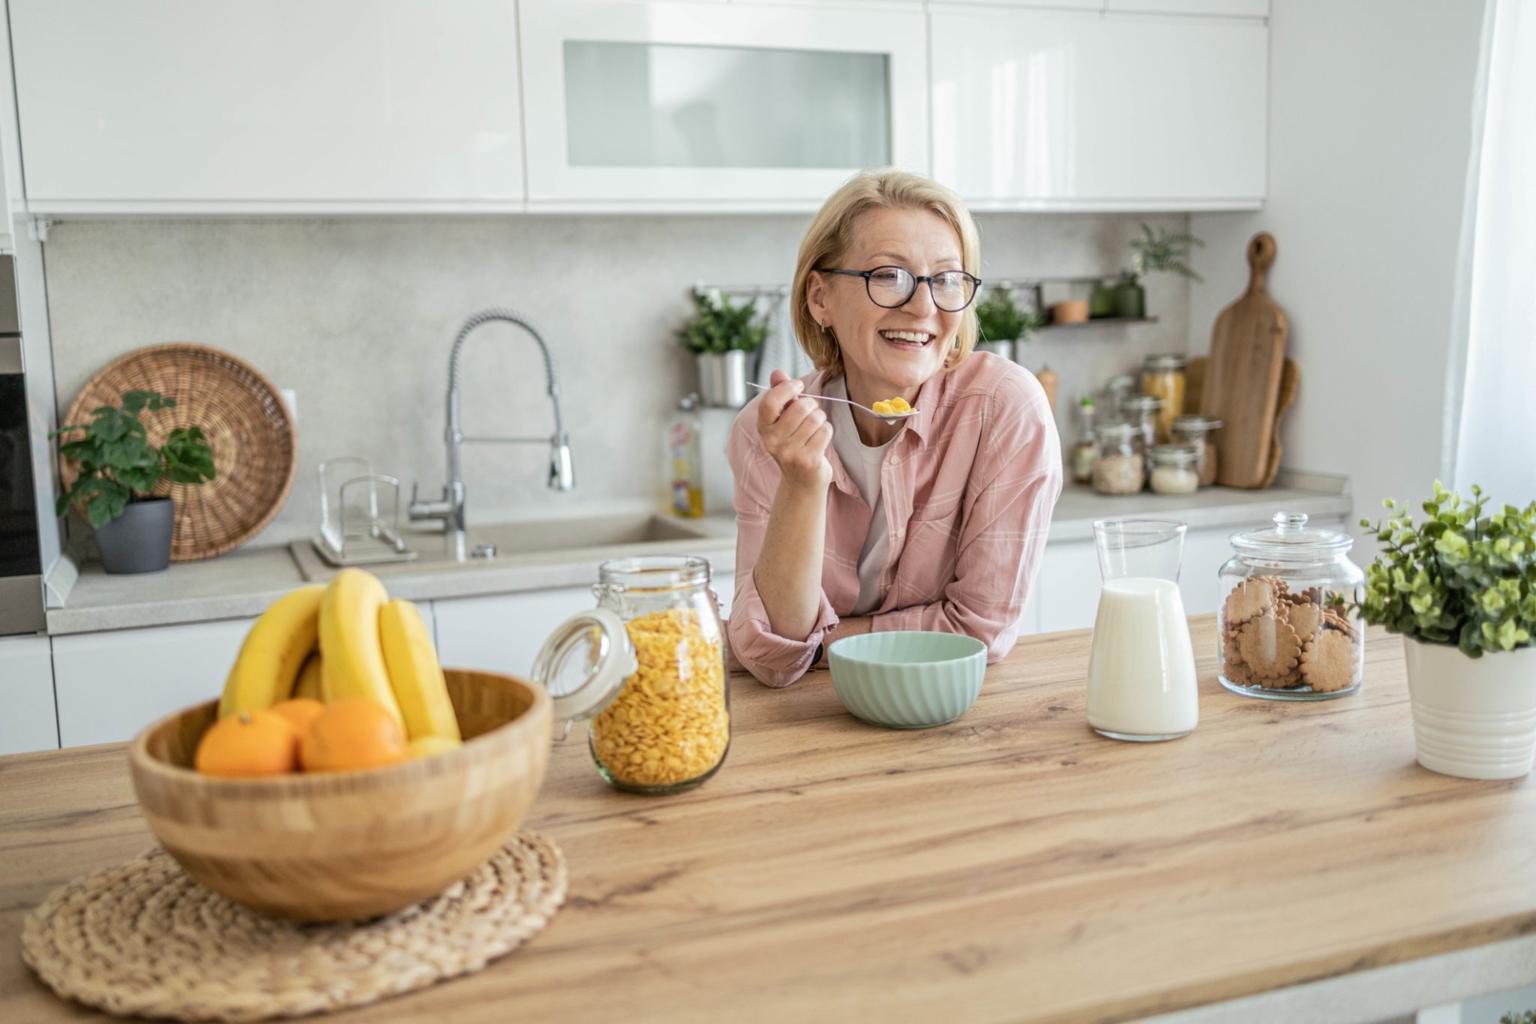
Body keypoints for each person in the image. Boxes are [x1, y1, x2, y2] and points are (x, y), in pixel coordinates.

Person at [726, 169, 1063, 687]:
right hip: (804, 728)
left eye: (947, 279)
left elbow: (979, 633)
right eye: (888, 276)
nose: (924, 307)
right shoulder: (768, 431)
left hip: (950, 710)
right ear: (820, 298)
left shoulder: (1004, 409)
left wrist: (816, 645)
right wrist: (802, 483)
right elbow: (772, 657)